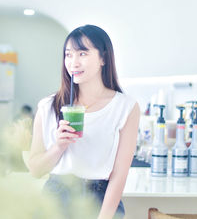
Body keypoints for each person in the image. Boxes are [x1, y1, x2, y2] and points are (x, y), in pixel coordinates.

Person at [28, 24, 140, 219]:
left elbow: (119, 175)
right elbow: (35, 170)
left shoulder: (125, 108)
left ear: (103, 58)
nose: (73, 63)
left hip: (100, 199)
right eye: (68, 54)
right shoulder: (48, 107)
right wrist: (59, 146)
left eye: (82, 54)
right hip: (55, 200)